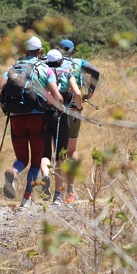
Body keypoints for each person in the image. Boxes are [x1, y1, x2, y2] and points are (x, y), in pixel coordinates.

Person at [0, 36, 63, 208]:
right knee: (36, 160)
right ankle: (25, 199)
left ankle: (14, 172)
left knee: (22, 158)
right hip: (37, 118)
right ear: (40, 51)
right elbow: (57, 96)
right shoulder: (45, 69)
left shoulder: (12, 68)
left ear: (25, 50)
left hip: (16, 117)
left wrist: (5, 108)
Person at [57, 39, 100, 204]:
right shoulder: (79, 62)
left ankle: (55, 192)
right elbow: (95, 71)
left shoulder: (49, 61)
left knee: (57, 150)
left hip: (53, 109)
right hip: (74, 108)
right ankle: (71, 191)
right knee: (71, 150)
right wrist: (90, 91)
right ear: (73, 52)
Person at [39, 49, 83, 205]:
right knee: (60, 156)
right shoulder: (67, 72)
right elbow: (77, 93)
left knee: (45, 153)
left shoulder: (42, 71)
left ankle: (45, 175)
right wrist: (79, 108)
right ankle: (58, 196)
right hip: (61, 116)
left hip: (43, 115)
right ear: (60, 61)